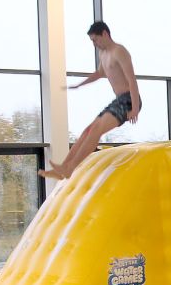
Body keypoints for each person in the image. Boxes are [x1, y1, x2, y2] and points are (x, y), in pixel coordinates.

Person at [40, 22, 140, 180]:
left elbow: (132, 80)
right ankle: (63, 168)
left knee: (96, 130)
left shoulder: (119, 51)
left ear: (105, 34)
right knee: (88, 130)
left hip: (128, 100)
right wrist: (79, 85)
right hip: (118, 100)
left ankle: (70, 168)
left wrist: (134, 108)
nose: (95, 44)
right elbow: (100, 73)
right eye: (92, 41)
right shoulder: (104, 54)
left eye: (96, 40)